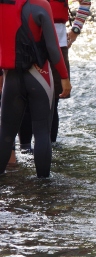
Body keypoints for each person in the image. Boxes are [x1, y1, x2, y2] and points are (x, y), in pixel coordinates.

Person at [0, 0, 72, 177]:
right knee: (41, 132)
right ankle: (43, 186)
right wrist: (64, 78)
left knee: (6, 133)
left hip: (11, 78)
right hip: (39, 76)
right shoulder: (41, 5)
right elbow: (53, 48)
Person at [18, 0, 91, 151]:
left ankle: (49, 148)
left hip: (58, 43)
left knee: (54, 100)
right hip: (27, 42)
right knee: (25, 98)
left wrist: (75, 30)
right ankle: (25, 147)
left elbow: (85, 2)